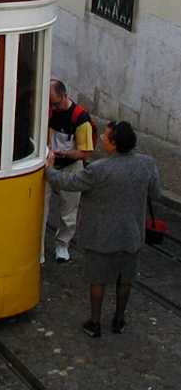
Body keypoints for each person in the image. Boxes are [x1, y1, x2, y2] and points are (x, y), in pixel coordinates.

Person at [46, 121, 161, 337]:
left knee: (97, 279)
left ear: (114, 144)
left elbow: (67, 182)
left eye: (105, 138)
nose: (101, 140)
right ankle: (119, 319)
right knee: (125, 280)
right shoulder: (147, 164)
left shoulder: (98, 170)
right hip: (131, 234)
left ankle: (95, 322)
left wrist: (49, 169)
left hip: (100, 236)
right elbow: (156, 194)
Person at [42, 79, 94, 263]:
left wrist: (65, 153)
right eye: (48, 103)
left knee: (69, 210)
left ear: (65, 95)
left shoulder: (81, 118)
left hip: (69, 167)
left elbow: (85, 151)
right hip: (47, 165)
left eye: (54, 103)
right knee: (41, 208)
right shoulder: (46, 111)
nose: (52, 108)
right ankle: (37, 247)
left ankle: (62, 245)